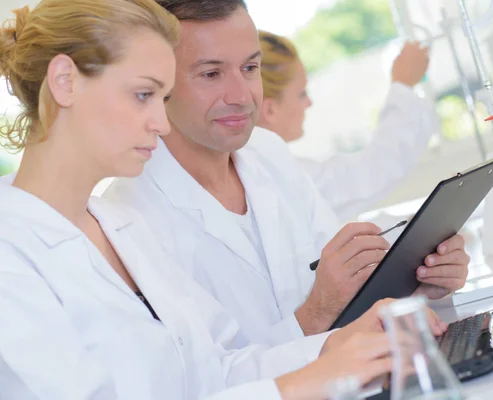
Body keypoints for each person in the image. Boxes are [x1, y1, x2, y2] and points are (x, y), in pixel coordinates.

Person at [0, 1, 446, 399]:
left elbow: (215, 371)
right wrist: (299, 385)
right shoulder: (12, 251)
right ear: (64, 82)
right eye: (143, 95)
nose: (159, 120)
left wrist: (340, 344)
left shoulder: (117, 226)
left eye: (163, 96)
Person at [103, 0, 468, 349]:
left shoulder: (268, 152)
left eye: (249, 68)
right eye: (211, 73)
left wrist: (419, 291)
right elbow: (206, 381)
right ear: (157, 84)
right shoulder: (129, 220)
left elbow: (349, 302)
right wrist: (316, 311)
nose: (242, 96)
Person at [258, 30, 436, 221]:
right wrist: (403, 84)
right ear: (270, 110)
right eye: (301, 94)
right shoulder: (279, 178)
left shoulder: (268, 170)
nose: (309, 103)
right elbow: (371, 171)